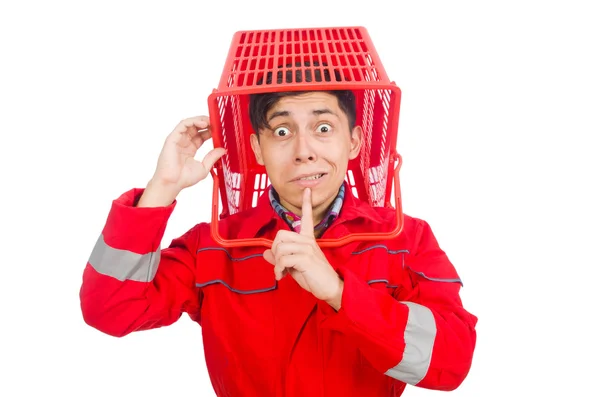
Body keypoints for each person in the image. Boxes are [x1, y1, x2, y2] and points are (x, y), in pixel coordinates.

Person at [80, 69, 478, 396]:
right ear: (257, 149)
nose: (304, 150)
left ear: (353, 142)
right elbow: (111, 310)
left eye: (324, 127)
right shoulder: (213, 245)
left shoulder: (404, 238)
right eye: (282, 132)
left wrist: (339, 293)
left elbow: (451, 362)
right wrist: (162, 187)